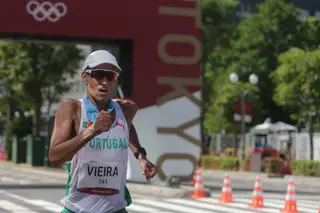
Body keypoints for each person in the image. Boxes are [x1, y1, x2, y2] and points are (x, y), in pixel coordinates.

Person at [49, 50, 157, 213]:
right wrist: (91, 131)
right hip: (78, 208)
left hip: (115, 208)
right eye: (98, 75)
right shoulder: (72, 108)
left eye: (110, 76)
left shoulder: (126, 109)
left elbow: (127, 128)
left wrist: (140, 156)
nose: (104, 82)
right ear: (85, 77)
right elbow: (54, 157)